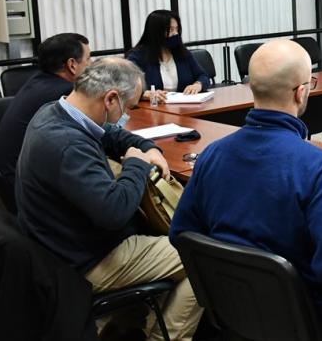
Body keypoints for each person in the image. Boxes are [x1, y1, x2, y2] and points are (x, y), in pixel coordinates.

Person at [170, 39, 322, 339]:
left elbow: (181, 232)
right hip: (302, 319)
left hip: (232, 311)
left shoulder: (211, 155)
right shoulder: (318, 166)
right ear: (302, 91)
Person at [16, 58, 202, 341]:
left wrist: (146, 147)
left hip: (61, 247)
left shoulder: (56, 113)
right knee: (201, 256)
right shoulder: (67, 145)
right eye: (128, 108)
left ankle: (136, 323)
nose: (127, 115)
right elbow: (115, 212)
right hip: (86, 260)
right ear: (111, 99)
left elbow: (112, 135)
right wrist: (136, 165)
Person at [0, 33, 90, 211]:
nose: (90, 67)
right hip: (26, 193)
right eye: (88, 60)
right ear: (72, 65)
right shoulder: (64, 93)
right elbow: (91, 137)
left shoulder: (38, 81)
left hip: (8, 181)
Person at [127, 9, 209, 104]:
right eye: (170, 30)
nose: (175, 34)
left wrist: (198, 85)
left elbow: (203, 76)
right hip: (153, 110)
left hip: (183, 107)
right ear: (156, 32)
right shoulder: (138, 55)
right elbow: (127, 87)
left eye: (177, 29)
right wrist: (146, 94)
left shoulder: (182, 52)